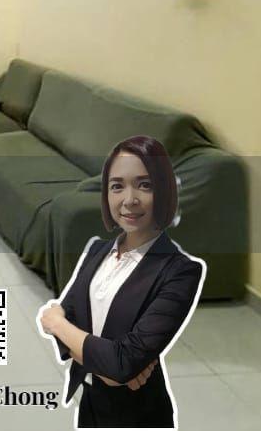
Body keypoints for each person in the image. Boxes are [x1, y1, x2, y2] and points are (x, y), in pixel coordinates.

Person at [37, 135, 206, 428]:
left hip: (139, 415)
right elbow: (75, 320)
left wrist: (55, 323)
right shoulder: (96, 249)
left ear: (164, 190)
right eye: (117, 186)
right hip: (90, 403)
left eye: (145, 185)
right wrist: (108, 367)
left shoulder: (180, 272)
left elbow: (119, 362)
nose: (129, 200)